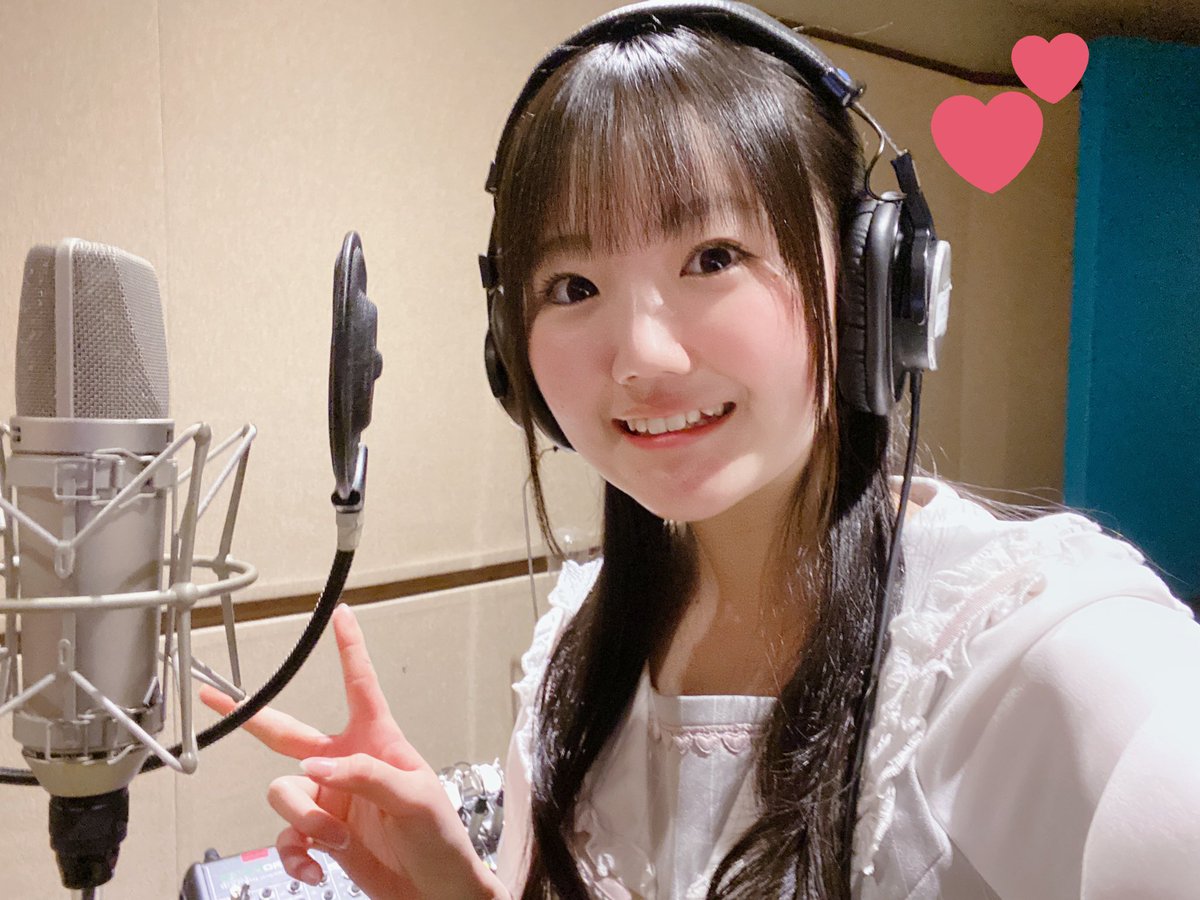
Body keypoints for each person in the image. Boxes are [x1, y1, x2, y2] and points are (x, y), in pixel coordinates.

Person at [203, 3, 1200, 898]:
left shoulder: (1030, 651)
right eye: (573, 287)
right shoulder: (577, 649)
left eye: (713, 257)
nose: (642, 356)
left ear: (870, 291)